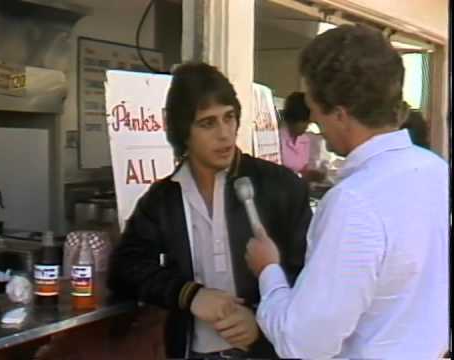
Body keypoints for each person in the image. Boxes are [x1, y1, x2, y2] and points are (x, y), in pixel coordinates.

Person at [245, 24, 449, 359]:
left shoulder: (356, 202)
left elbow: (304, 343)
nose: (313, 122)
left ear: (340, 115)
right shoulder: (436, 171)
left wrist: (269, 272)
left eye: (315, 108)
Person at [107, 62, 312, 359]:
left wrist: (260, 322)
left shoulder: (280, 187)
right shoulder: (164, 199)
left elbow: (310, 279)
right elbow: (125, 268)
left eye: (229, 118)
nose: (225, 135)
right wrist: (189, 294)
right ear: (182, 132)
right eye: (207, 123)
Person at [279, 91, 326, 182]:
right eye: (304, 122)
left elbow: (302, 168)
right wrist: (301, 176)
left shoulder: (306, 140)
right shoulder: (278, 140)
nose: (306, 126)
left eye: (308, 122)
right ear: (293, 119)